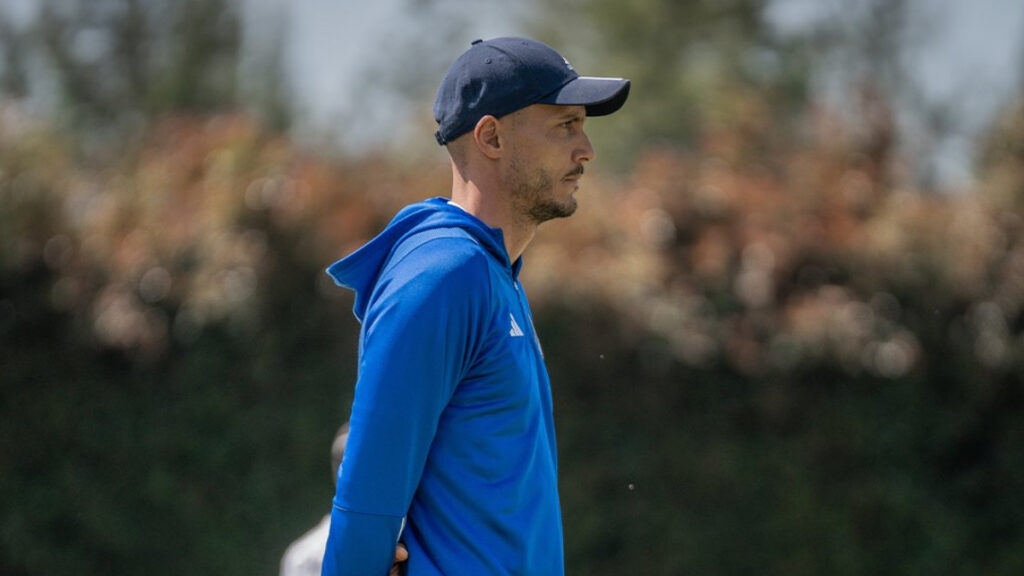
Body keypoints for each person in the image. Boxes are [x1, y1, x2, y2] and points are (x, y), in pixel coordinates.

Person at [321, 36, 630, 575]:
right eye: (565, 125)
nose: (587, 149)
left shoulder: (490, 272)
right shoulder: (445, 273)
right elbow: (367, 498)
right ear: (491, 137)